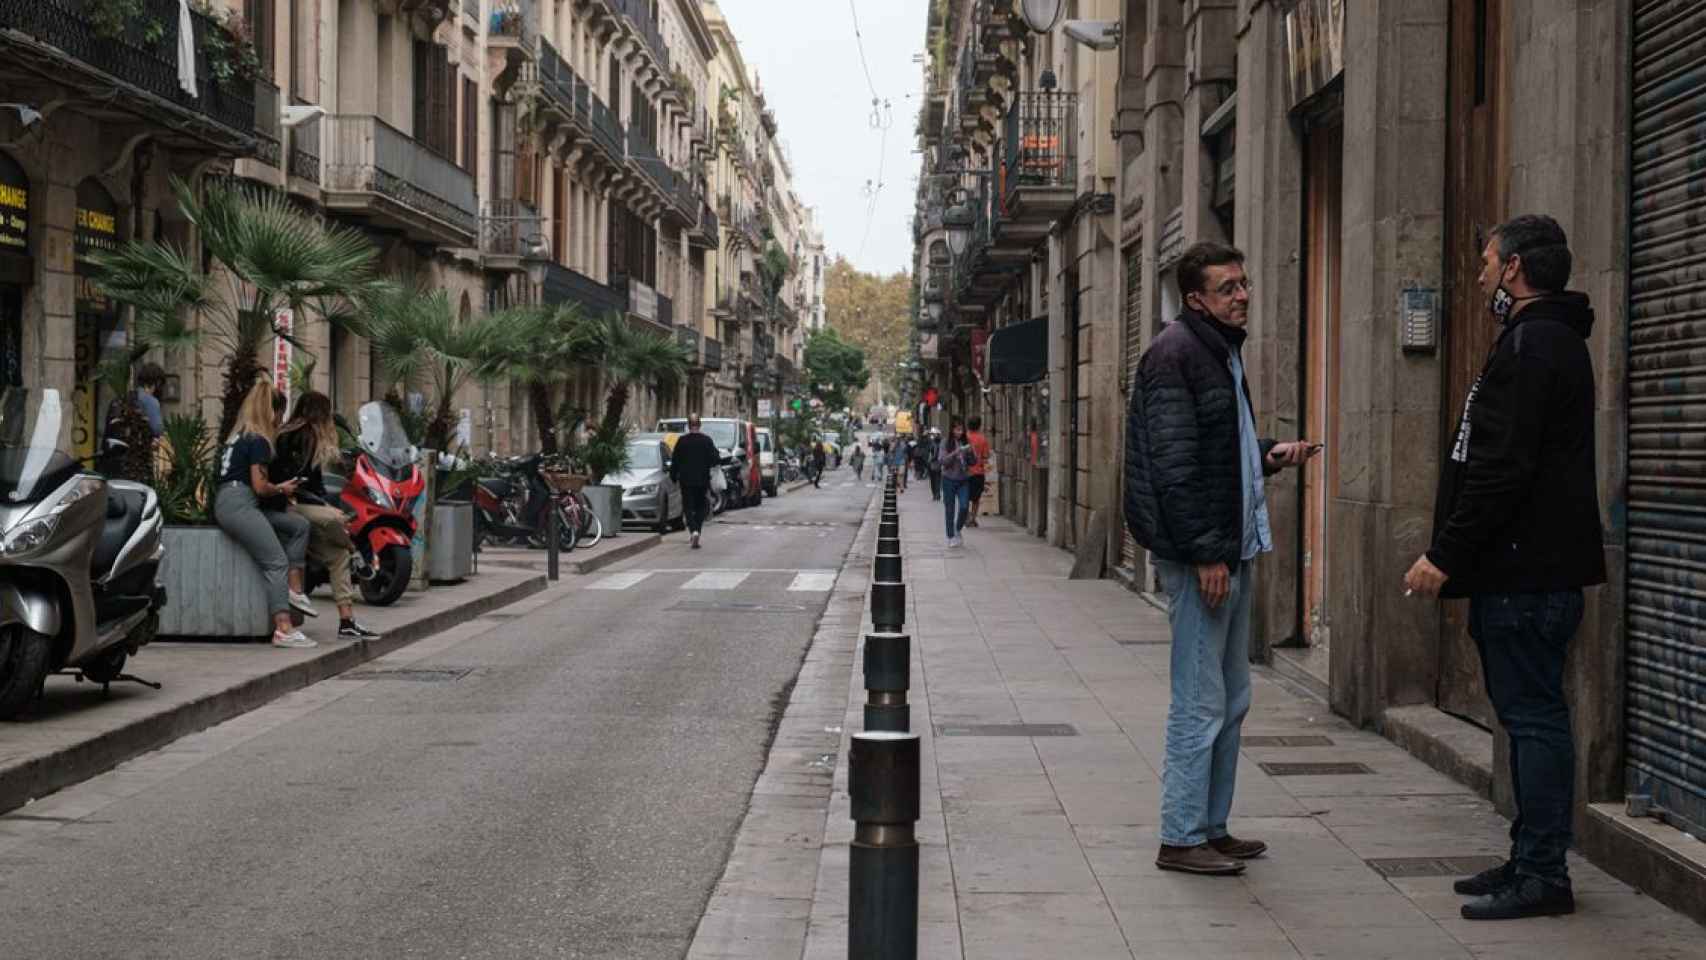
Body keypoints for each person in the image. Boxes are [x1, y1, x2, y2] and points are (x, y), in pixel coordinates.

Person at [1403, 216, 1605, 921]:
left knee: (1536, 722)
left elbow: (1500, 471)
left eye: (1488, 260)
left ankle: (1545, 873)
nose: (1482, 272)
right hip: (1525, 573)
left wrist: (1443, 555)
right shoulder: (1542, 341)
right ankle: (1528, 857)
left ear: (1515, 268)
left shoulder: (1533, 346)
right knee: (1527, 721)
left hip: (1525, 576)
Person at [1125, 242, 1317, 876]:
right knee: (1200, 700)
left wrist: (1266, 453)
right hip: (1204, 557)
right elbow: (1176, 470)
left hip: (1232, 547)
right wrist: (1207, 552)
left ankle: (1210, 825)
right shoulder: (1176, 355)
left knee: (1232, 699)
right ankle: (1180, 836)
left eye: (1245, 283)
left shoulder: (1217, 353)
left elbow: (1214, 451)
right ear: (1196, 298)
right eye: (1229, 287)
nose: (1243, 296)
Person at [213, 379, 317, 649]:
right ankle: (283, 628)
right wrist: (281, 488)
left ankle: (294, 590)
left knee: (298, 526)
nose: (280, 420)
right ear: (271, 411)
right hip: (240, 503)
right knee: (276, 561)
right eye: (279, 413)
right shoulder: (258, 439)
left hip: (231, 500)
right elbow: (260, 487)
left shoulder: (239, 436)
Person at [273, 392, 382, 641]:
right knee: (337, 519)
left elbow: (312, 483)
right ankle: (356, 551)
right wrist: (325, 505)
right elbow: (297, 483)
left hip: (302, 504)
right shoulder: (301, 435)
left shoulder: (298, 434)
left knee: (337, 555)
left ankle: (347, 621)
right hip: (290, 504)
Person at [669, 414, 720, 549]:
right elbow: (715, 459)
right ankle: (697, 529)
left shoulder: (682, 441)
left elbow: (675, 461)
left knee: (687, 507)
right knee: (701, 506)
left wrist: (673, 476)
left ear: (688, 425)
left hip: (686, 480)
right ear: (699, 425)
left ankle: (693, 531)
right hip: (702, 480)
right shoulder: (707, 441)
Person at [939, 422, 977, 546]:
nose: (959, 432)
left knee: (964, 506)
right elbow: (943, 461)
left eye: (961, 430)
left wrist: (971, 452)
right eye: (957, 429)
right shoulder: (945, 442)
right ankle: (951, 536)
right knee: (949, 509)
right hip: (948, 479)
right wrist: (956, 452)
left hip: (963, 480)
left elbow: (973, 462)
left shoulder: (966, 442)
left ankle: (957, 528)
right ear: (952, 430)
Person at [964, 417, 992, 527]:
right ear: (979, 426)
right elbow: (986, 456)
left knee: (964, 496)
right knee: (976, 498)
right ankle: (973, 518)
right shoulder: (982, 439)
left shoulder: (964, 438)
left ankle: (966, 517)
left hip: (965, 473)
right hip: (978, 473)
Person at [924, 428, 944, 501]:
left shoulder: (934, 444)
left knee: (933, 480)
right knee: (937, 480)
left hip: (933, 464)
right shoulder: (939, 443)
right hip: (938, 464)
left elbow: (934, 455)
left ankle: (936, 494)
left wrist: (930, 460)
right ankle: (937, 494)